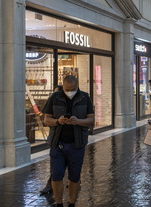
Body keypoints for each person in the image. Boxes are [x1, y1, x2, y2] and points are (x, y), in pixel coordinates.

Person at [44, 76, 94, 207]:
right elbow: (46, 119)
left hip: (77, 144)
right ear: (63, 86)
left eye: (72, 89)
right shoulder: (55, 98)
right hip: (57, 144)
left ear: (77, 86)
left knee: (75, 176)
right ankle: (59, 203)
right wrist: (57, 121)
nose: (69, 91)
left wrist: (78, 121)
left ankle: (72, 203)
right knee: (56, 175)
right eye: (67, 89)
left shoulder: (84, 97)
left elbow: (91, 120)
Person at [40, 85, 63, 195]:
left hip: (68, 139)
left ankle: (75, 180)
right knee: (55, 163)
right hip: (54, 137)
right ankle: (51, 183)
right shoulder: (52, 103)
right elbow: (47, 120)